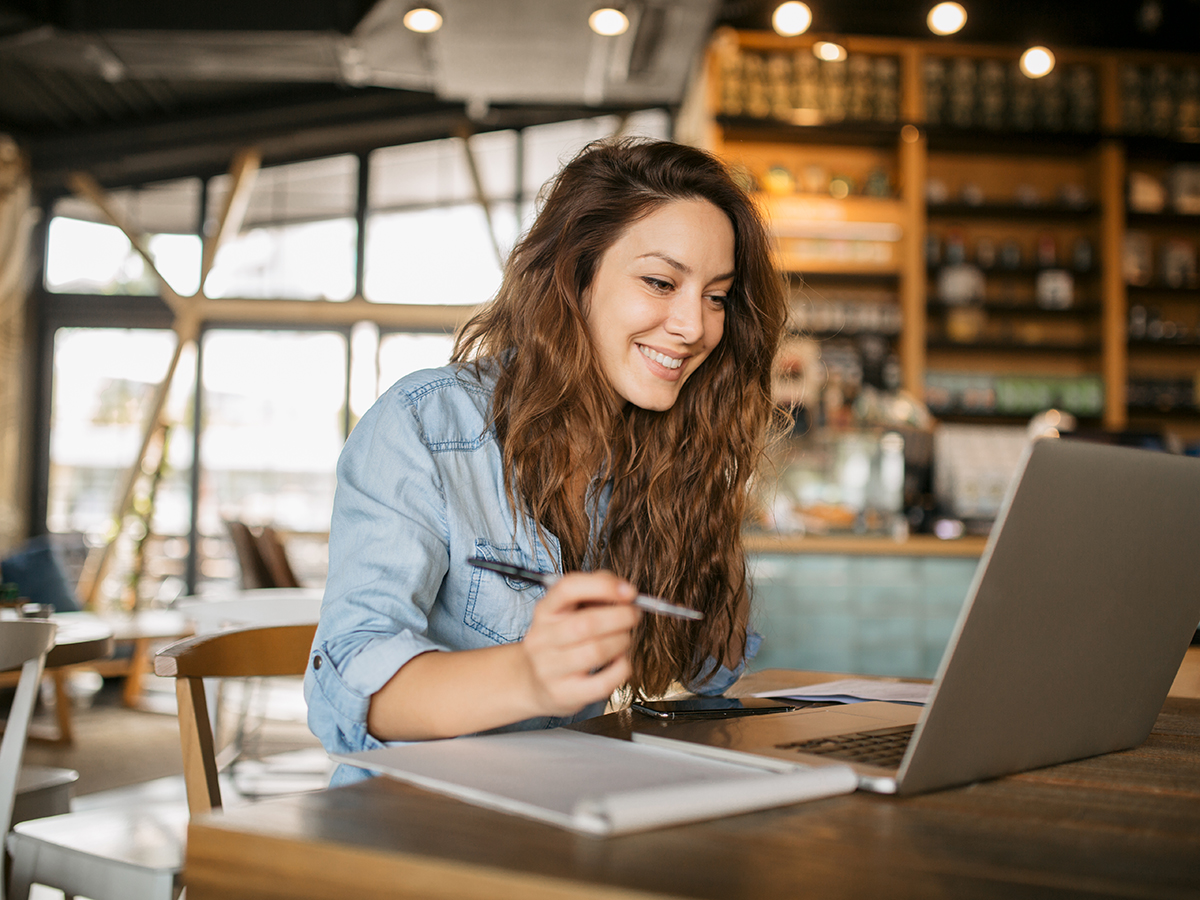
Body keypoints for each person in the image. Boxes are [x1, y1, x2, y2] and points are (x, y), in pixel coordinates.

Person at [305, 137, 788, 785]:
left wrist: (703, 502)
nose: (695, 326)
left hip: (571, 806)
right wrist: (530, 674)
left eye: (717, 296)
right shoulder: (427, 425)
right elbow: (350, 691)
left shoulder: (672, 444)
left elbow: (710, 673)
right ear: (574, 277)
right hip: (418, 826)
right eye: (660, 282)